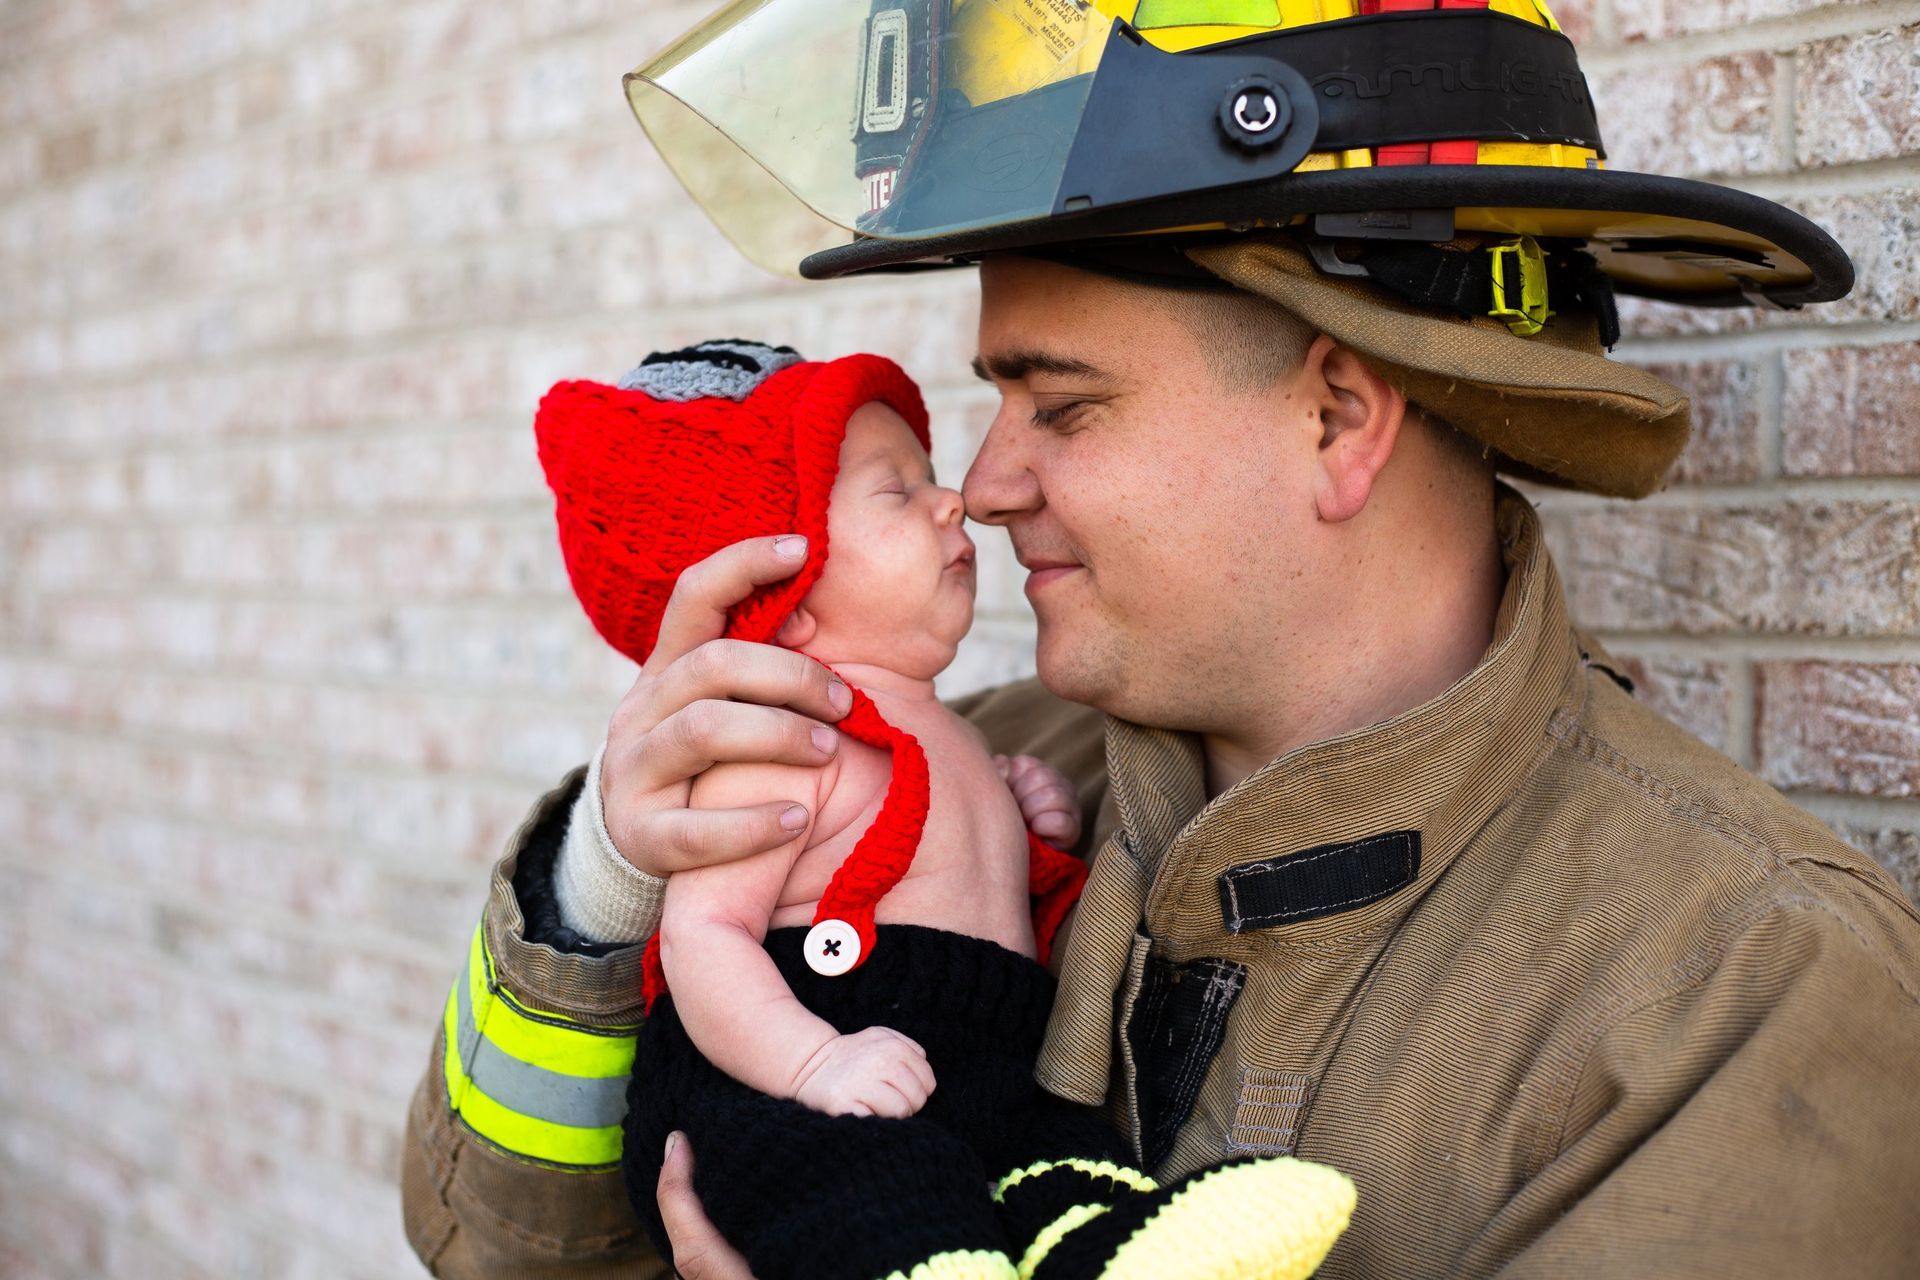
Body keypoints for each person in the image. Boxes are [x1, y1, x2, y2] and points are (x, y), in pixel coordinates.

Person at [404, 3, 1920, 1277]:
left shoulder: (1742, 999)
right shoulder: (991, 763)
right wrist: (605, 877)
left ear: (1338, 418)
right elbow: (502, 1246)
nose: (986, 488)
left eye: (1063, 406)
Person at [531, 338, 1354, 1280]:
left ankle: (1109, 1245)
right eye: (897, 492)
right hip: (796, 1072)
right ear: (781, 596)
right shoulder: (783, 745)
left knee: (1053, 1159)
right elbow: (704, 936)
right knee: (874, 1185)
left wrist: (1026, 827)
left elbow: (949, 869)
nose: (954, 497)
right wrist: (811, 1068)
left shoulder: (954, 731)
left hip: (981, 1057)